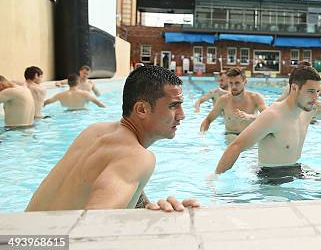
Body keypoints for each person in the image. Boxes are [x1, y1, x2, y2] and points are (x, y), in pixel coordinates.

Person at [26, 65, 199, 212]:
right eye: (173, 105)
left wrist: (152, 214)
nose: (182, 115)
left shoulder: (94, 131)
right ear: (141, 110)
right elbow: (93, 230)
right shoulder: (137, 157)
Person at [214, 66, 321, 174]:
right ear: (294, 88)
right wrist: (215, 177)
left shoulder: (307, 111)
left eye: (318, 92)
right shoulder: (273, 116)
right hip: (272, 178)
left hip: (296, 168)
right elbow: (236, 146)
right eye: (311, 91)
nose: (316, 97)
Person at [200, 67, 267, 136]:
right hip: (230, 136)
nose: (233, 87)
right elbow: (208, 120)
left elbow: (267, 116)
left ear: (245, 82)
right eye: (231, 83)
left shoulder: (255, 98)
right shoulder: (223, 100)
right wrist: (201, 135)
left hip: (249, 136)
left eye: (237, 83)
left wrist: (250, 116)